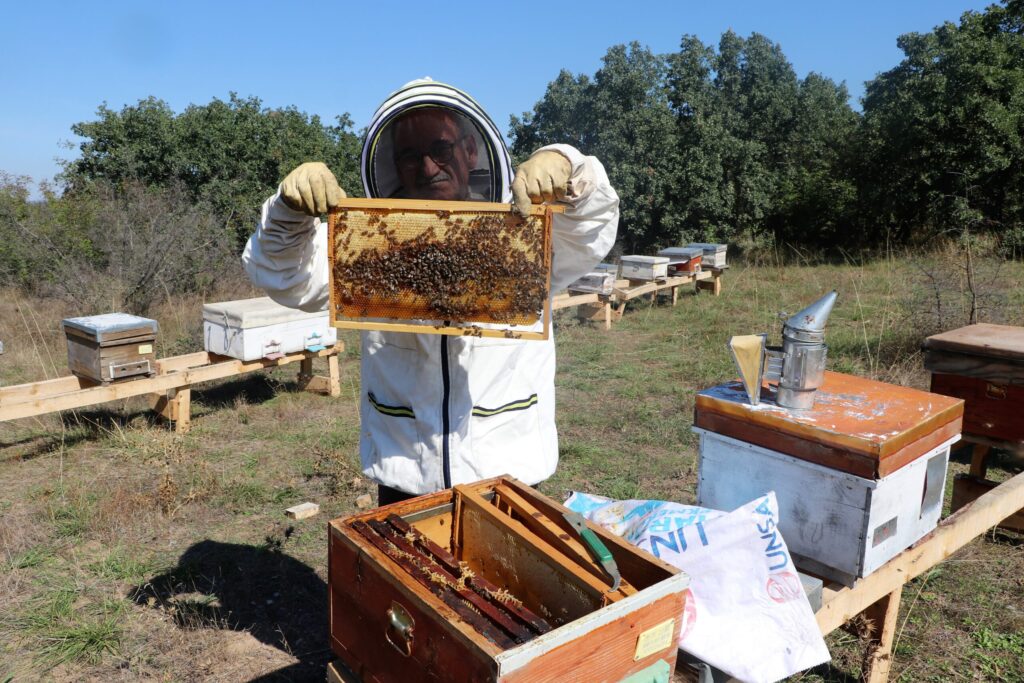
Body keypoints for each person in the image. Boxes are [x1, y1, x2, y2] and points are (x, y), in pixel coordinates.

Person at [243, 79, 618, 505]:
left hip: (511, 478)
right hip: (404, 475)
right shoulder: (375, 245)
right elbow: (283, 275)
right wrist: (287, 212)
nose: (426, 168)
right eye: (408, 156)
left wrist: (569, 165)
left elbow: (592, 227)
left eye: (440, 150)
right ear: (391, 165)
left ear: (471, 150)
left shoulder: (523, 234)